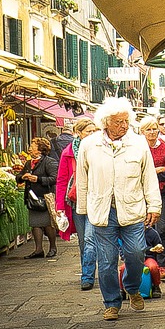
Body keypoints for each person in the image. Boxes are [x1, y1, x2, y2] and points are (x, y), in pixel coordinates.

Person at [77, 97, 161, 322]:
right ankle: (111, 303)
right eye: (118, 122)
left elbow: (149, 176)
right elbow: (82, 179)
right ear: (105, 122)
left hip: (132, 208)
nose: (123, 125)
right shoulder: (89, 145)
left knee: (136, 253)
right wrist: (83, 210)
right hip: (102, 211)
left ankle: (132, 287)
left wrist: (154, 205)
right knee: (106, 261)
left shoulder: (139, 143)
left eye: (126, 121)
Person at [55, 118, 98, 289]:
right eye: (89, 131)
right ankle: (87, 270)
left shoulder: (102, 149)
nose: (93, 134)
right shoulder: (68, 152)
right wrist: (59, 206)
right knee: (83, 240)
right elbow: (62, 180)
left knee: (90, 238)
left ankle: (87, 276)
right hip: (77, 202)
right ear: (79, 133)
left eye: (95, 131)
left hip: (96, 200)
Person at [138, 115, 165, 277]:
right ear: (142, 131)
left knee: (161, 228)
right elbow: (137, 173)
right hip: (142, 194)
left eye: (154, 128)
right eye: (149, 129)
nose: (152, 132)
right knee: (144, 228)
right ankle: (146, 262)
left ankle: (162, 266)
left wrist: (152, 173)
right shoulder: (137, 149)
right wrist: (157, 170)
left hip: (163, 193)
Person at [16, 137, 58, 258]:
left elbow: (55, 178)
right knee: (35, 223)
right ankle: (38, 249)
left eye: (33, 145)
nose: (30, 147)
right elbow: (19, 175)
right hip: (32, 197)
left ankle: (52, 247)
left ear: (40, 149)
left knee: (47, 223)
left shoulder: (49, 162)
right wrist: (22, 177)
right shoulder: (29, 163)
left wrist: (38, 179)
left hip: (45, 197)